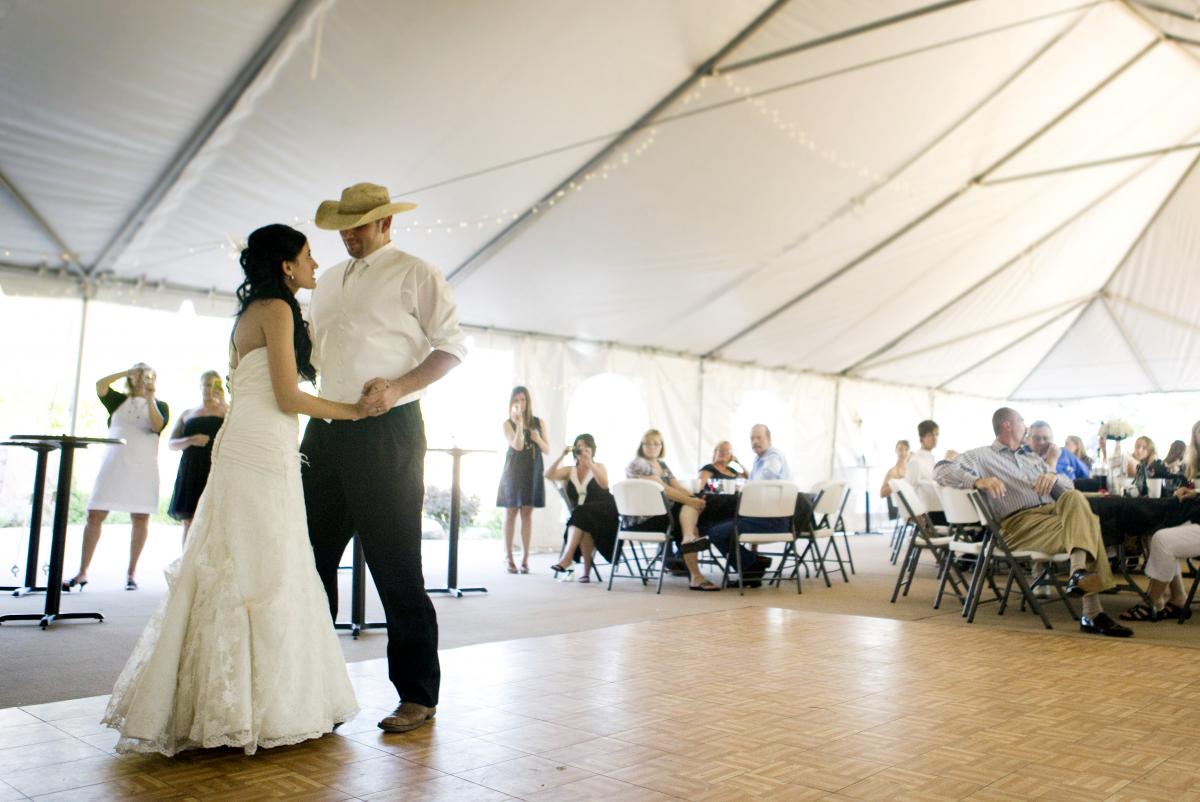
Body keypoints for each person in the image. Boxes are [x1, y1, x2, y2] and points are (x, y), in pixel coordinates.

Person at [102, 224, 365, 755]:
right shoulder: (278, 310)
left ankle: (230, 703)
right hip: (263, 447)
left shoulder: (250, 315)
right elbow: (289, 395)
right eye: (308, 256)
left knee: (242, 560)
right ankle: (257, 708)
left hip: (250, 445)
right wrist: (353, 411)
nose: (315, 264)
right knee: (266, 563)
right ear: (287, 266)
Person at [303, 183, 466, 735]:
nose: (349, 233)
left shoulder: (417, 272)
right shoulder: (323, 282)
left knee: (395, 564)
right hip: (324, 430)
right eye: (344, 225)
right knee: (307, 561)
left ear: (386, 224)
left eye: (360, 224)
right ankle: (311, 688)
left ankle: (417, 696)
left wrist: (397, 388)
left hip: (389, 431)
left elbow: (452, 348)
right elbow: (315, 356)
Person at [935, 407, 1132, 637]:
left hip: (1052, 513)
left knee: (1075, 499)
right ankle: (1092, 612)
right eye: (1022, 421)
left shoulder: (1030, 457)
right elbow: (940, 470)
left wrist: (1053, 476)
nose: (1026, 426)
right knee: (1090, 524)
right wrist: (978, 481)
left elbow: (1069, 486)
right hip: (1019, 524)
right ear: (1007, 425)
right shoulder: (981, 456)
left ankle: (1079, 575)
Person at [65, 364, 169, 592]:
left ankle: (131, 572)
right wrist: (126, 372)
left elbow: (157, 425)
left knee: (140, 517)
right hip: (114, 464)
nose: (141, 379)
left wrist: (150, 397)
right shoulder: (117, 401)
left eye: (146, 375)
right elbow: (100, 385)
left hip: (143, 467)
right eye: (138, 375)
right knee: (95, 514)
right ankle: (82, 571)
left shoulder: (161, 405)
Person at [626, 430, 717, 591]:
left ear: (662, 446)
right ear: (642, 445)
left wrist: (694, 498)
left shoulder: (662, 465)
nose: (652, 446)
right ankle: (695, 572)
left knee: (689, 511)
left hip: (663, 514)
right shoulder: (638, 464)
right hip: (644, 518)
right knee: (687, 513)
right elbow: (665, 490)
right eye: (648, 443)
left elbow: (677, 486)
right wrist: (692, 501)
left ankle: (689, 541)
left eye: (657, 443)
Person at [546, 434, 617, 582]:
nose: (582, 449)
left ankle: (567, 558)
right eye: (579, 446)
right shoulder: (569, 470)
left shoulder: (599, 466)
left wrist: (589, 463)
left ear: (592, 450)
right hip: (584, 515)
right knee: (583, 519)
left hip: (605, 510)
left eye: (586, 446)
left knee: (581, 514)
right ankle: (585, 573)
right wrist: (561, 456)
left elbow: (604, 484)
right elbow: (548, 475)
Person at [167, 370, 227, 545]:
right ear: (200, 386)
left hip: (214, 468)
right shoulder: (188, 413)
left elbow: (235, 431)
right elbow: (171, 444)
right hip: (190, 469)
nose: (209, 389)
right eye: (207, 384)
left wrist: (223, 402)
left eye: (214, 385)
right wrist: (191, 439)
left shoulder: (225, 411)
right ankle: (186, 563)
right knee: (189, 520)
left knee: (213, 520)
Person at [496, 386, 548, 573]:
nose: (520, 404)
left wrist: (537, 438)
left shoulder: (538, 422)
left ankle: (525, 557)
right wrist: (518, 424)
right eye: (516, 400)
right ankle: (508, 556)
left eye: (523, 400)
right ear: (512, 403)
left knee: (527, 513)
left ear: (528, 401)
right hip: (514, 469)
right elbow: (517, 446)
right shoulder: (507, 424)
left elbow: (547, 448)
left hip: (533, 468)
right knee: (511, 512)